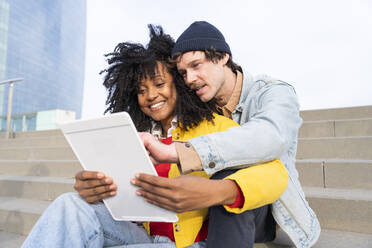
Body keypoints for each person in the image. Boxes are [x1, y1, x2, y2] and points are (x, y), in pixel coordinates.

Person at [22, 25, 286, 248]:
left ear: (179, 84)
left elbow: (275, 173)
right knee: (70, 205)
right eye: (141, 90)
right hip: (142, 236)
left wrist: (219, 191)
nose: (150, 96)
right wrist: (93, 189)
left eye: (159, 84)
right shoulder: (134, 136)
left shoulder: (215, 127)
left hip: (189, 243)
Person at [131, 21, 321, 248]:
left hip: (269, 205)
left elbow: (270, 137)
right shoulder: (199, 106)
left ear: (222, 57)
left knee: (229, 179)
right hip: (210, 210)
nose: (189, 79)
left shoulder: (273, 92)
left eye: (196, 65)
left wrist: (178, 152)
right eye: (183, 73)